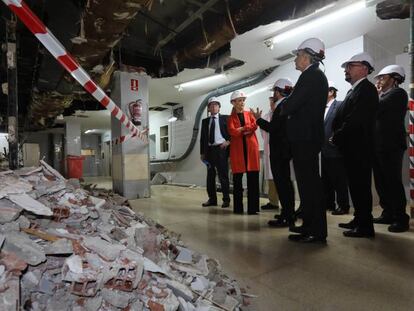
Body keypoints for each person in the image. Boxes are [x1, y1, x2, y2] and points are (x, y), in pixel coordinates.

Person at [279, 38, 328, 243]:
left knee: (310, 186)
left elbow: (289, 106)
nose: (295, 60)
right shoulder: (314, 76)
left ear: (307, 56)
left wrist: (284, 106)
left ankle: (316, 231)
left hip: (305, 139)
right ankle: (309, 225)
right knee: (308, 186)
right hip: (306, 138)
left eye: (298, 55)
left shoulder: (311, 76)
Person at [331, 52, 379, 238]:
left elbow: (356, 120)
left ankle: (365, 226)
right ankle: (359, 219)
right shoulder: (354, 90)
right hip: (351, 148)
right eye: (346, 67)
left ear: (365, 69)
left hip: (359, 148)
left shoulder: (367, 89)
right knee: (356, 186)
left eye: (351, 66)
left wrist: (337, 136)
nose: (347, 69)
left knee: (361, 187)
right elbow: (343, 117)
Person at [253, 78, 296, 227]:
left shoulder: (281, 107)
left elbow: (274, 129)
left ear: (278, 92)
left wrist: (258, 120)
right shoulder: (287, 105)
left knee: (283, 185)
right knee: (286, 184)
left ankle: (287, 216)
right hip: (284, 152)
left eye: (274, 92)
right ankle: (287, 213)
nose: (273, 95)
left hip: (280, 153)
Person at [372, 65, 409, 232]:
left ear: (394, 79)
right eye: (378, 78)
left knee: (392, 181)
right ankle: (388, 213)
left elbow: (378, 108)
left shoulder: (398, 94)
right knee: (381, 182)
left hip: (391, 145)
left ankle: (401, 218)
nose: (379, 80)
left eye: (383, 77)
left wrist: (374, 95)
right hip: (378, 145)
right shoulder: (382, 95)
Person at [227, 90, 260, 215]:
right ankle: (238, 208)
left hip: (251, 149)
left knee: (253, 180)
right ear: (233, 103)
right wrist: (245, 129)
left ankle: (253, 208)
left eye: (243, 100)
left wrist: (242, 129)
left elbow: (254, 126)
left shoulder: (249, 114)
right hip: (238, 152)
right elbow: (232, 131)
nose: (242, 103)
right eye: (239, 101)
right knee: (237, 181)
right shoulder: (230, 118)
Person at [321, 81, 350, 215]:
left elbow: (344, 123)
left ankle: (343, 205)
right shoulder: (320, 107)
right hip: (323, 150)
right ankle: (328, 203)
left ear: (331, 92)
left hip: (335, 148)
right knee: (326, 179)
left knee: (339, 179)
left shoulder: (339, 105)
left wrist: (337, 137)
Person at [200, 97, 231, 208]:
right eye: (211, 105)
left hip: (221, 149)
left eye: (216, 105)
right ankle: (212, 199)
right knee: (210, 176)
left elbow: (233, 133)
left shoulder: (226, 118)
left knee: (223, 175)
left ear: (219, 107)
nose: (213, 107)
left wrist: (228, 142)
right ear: (208, 108)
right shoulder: (205, 122)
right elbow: (203, 138)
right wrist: (202, 153)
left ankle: (226, 200)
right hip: (209, 151)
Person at [260, 96, 280, 211]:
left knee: (283, 177)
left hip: (280, 150)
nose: (272, 104)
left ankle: (287, 204)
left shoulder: (282, 114)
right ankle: (273, 202)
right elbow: (263, 134)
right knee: (271, 177)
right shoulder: (267, 116)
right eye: (271, 102)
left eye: (274, 102)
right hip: (268, 149)